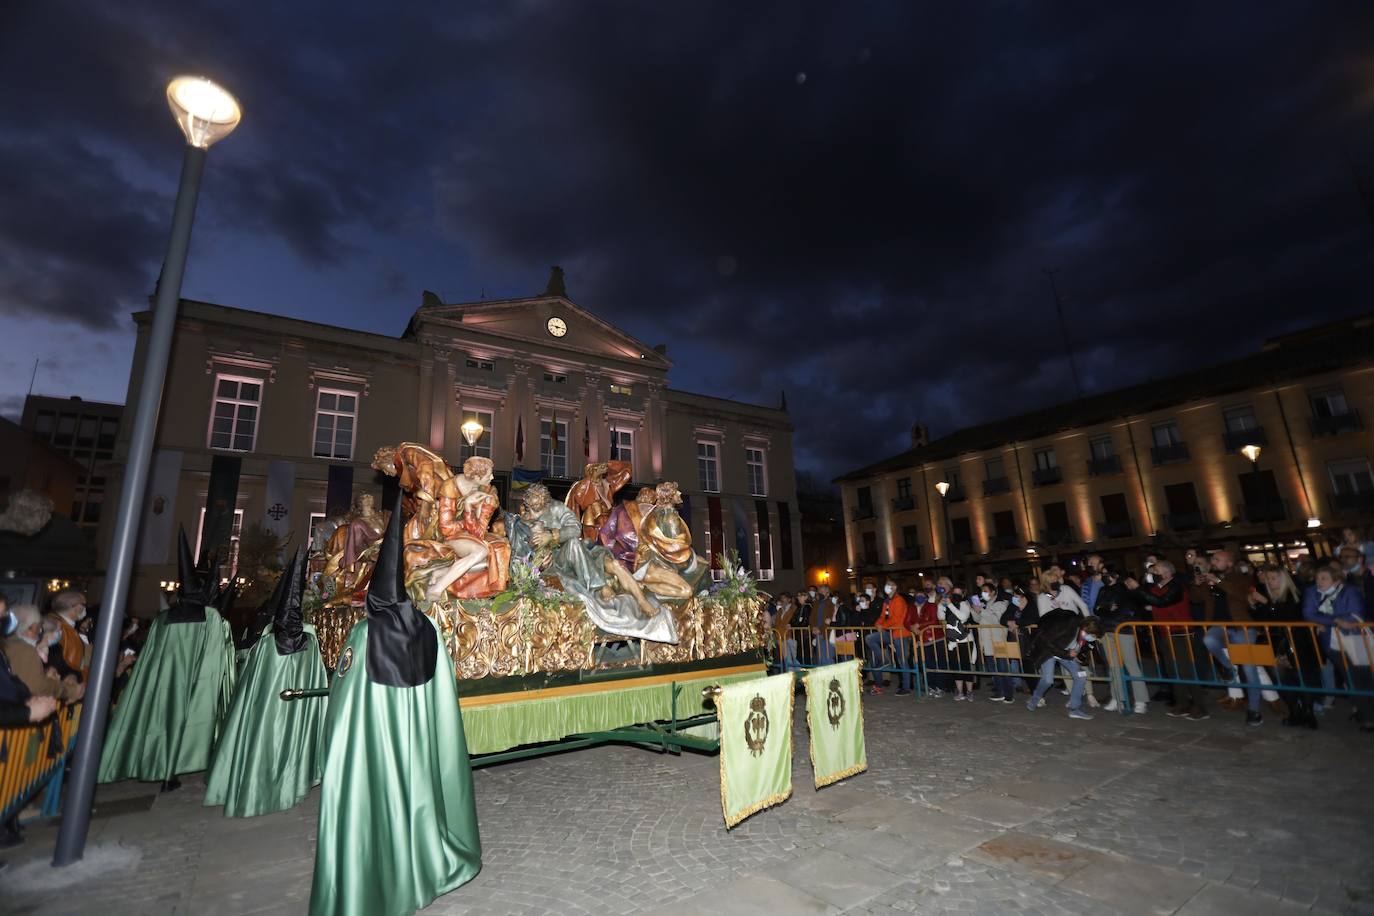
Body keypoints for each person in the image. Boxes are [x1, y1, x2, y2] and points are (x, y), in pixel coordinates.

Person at [309, 493, 481, 916]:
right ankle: (426, 859)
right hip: (418, 740)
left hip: (378, 746)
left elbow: (345, 708)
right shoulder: (428, 629)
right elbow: (442, 702)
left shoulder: (364, 636)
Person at [98, 530, 238, 790]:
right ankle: (169, 773)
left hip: (162, 681)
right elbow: (220, 652)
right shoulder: (210, 619)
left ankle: (153, 765)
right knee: (184, 720)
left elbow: (151, 655)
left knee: (158, 719)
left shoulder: (164, 619)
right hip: (195, 681)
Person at [204, 548, 329, 817]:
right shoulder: (304, 637)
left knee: (261, 730)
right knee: (269, 733)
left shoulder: (274, 638)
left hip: (270, 702)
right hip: (280, 703)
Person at [1125, 560, 1210, 720]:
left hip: (1181, 632)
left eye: (1156, 570)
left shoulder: (1176, 587)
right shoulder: (1159, 588)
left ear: (1167, 573)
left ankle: (1200, 706)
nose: (1152, 574)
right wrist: (1135, 591)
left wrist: (1139, 590)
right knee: (1172, 670)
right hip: (1165, 633)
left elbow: (1161, 601)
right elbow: (1149, 600)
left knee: (1185, 670)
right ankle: (1182, 703)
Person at [1301, 565, 1373, 731]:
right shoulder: (1312, 592)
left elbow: (1356, 614)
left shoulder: (1349, 591)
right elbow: (1308, 614)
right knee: (1350, 678)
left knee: (1363, 678)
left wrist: (1325, 620)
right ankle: (1364, 713)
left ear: (1336, 579)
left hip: (1355, 639)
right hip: (1331, 643)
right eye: (1318, 578)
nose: (1319, 582)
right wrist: (1336, 621)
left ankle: (1367, 715)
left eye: (1324, 578)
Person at [1250, 566, 1318, 728]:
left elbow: (1288, 615)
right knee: (1280, 679)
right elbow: (1261, 619)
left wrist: (1267, 603)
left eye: (1273, 577)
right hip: (1275, 643)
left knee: (1302, 678)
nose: (1269, 581)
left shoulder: (1294, 594)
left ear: (1283, 578)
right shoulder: (1266, 594)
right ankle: (1294, 710)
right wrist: (1255, 606)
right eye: (1267, 578)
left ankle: (1308, 713)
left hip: (1297, 642)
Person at [1025, 610, 1103, 720]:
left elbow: (1081, 652)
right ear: (1088, 630)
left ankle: (1074, 709)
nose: (1094, 638)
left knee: (1081, 676)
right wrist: (1067, 653)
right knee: (1048, 680)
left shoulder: (1085, 637)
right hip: (1049, 652)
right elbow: (1046, 641)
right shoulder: (1068, 625)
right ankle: (1035, 698)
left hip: (1065, 655)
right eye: (1094, 635)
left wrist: (1078, 657)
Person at [1093, 567, 1148, 714]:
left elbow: (1126, 609)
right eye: (1102, 574)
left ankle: (1141, 700)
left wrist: (1107, 609)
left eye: (1107, 573)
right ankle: (1118, 698)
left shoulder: (1124, 589)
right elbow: (1096, 609)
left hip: (1123, 630)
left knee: (1131, 664)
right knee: (1114, 666)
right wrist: (1107, 608)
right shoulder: (1102, 590)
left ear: (1115, 575)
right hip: (1106, 630)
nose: (1105, 576)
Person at [2, 605, 84, 703]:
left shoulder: (7, 645)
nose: (40, 633)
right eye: (39, 628)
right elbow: (36, 686)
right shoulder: (25, 651)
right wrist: (70, 691)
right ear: (30, 629)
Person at [865, 581, 912, 695]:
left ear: (895, 587)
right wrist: (878, 624)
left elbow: (896, 619)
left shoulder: (899, 600)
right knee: (870, 638)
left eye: (890, 584)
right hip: (890, 632)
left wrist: (883, 626)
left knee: (902, 660)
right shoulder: (887, 601)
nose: (887, 587)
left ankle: (906, 687)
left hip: (900, 633)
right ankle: (883, 660)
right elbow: (882, 616)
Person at [975, 582, 1015, 702]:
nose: (983, 593)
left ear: (993, 592)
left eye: (986, 590)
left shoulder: (1001, 603)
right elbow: (978, 619)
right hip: (987, 642)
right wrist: (975, 609)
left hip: (998, 640)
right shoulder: (984, 604)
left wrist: (981, 611)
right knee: (993, 668)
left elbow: (996, 619)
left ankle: (1009, 693)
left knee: (1002, 667)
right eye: (982, 591)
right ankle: (999, 691)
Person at [940, 579, 977, 701]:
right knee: (956, 666)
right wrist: (942, 604)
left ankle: (970, 691)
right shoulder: (949, 605)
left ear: (963, 594)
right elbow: (940, 616)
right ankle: (960, 691)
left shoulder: (964, 604)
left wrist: (950, 604)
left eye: (958, 593)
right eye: (953, 592)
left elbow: (963, 617)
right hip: (953, 641)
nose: (955, 595)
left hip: (965, 640)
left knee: (966, 666)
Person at [49, 588, 91, 680]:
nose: (85, 608)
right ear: (75, 606)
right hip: (65, 684)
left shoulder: (67, 627)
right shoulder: (57, 627)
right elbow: (61, 663)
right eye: (84, 605)